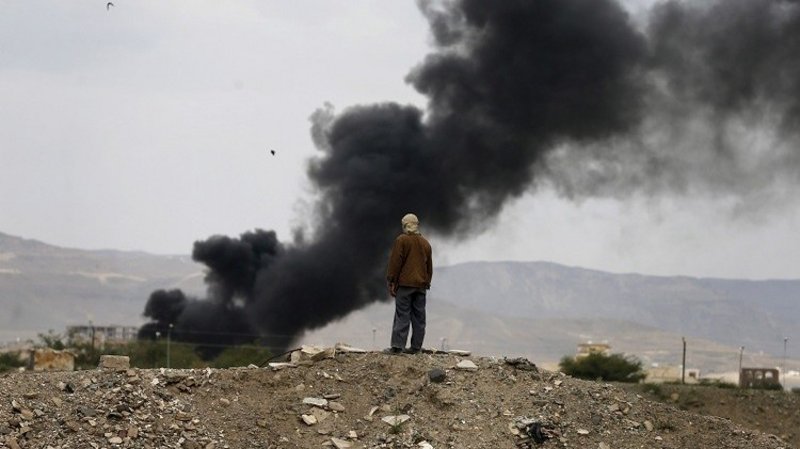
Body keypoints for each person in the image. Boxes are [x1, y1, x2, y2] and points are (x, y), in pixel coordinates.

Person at [385, 213, 433, 354]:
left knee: (402, 315)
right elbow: (429, 267)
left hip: (405, 285)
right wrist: (426, 283)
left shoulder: (402, 240)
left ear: (405, 225)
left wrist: (391, 281)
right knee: (419, 317)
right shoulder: (426, 243)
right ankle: (416, 348)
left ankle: (397, 347)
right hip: (421, 286)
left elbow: (395, 263)